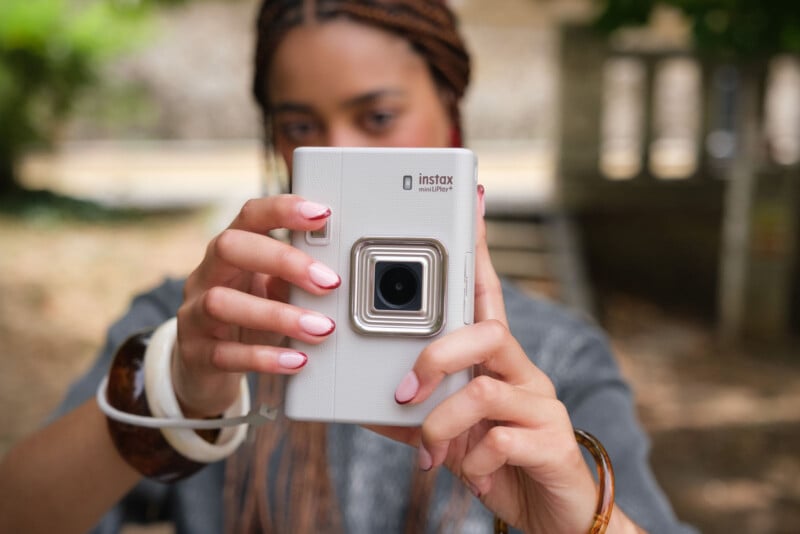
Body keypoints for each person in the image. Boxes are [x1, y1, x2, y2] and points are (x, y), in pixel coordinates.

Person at [0, 1, 696, 533]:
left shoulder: (546, 357)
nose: (341, 154)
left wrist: (580, 521)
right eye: (300, 127)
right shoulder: (203, 326)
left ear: (451, 119)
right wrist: (174, 394)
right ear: (274, 138)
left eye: (379, 116)